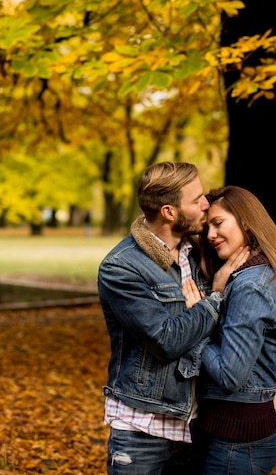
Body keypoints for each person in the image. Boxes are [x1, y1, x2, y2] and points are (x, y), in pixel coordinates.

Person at [97, 163, 250, 475]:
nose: (206, 204)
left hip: (192, 424)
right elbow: (167, 340)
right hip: (143, 429)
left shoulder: (195, 253)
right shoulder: (122, 268)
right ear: (168, 212)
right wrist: (215, 297)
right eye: (196, 201)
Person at [183, 185, 276, 475]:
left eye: (218, 223)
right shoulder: (261, 272)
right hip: (238, 432)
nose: (210, 235)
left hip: (238, 442)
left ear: (246, 221)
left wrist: (195, 324)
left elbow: (229, 374)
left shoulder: (250, 286)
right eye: (207, 228)